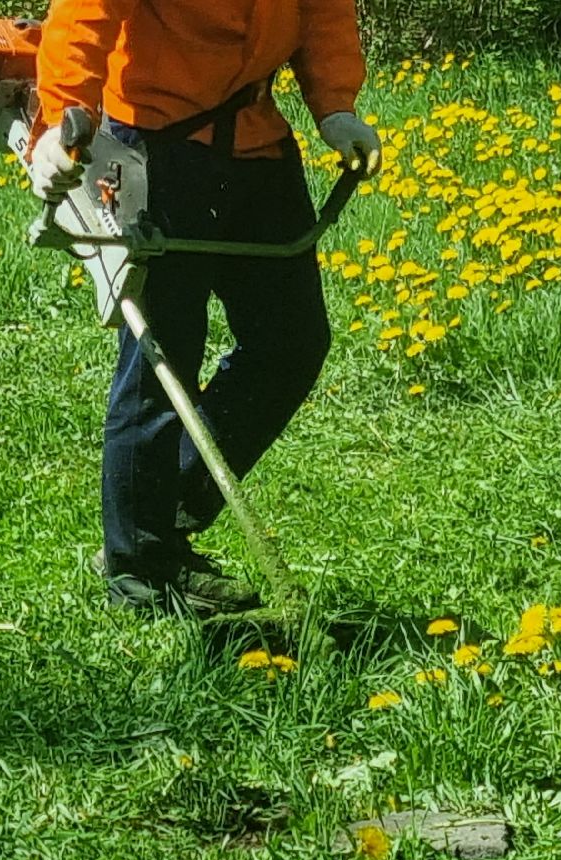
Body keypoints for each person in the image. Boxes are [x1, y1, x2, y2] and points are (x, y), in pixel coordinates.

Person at [25, 0, 381, 616]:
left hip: (255, 141)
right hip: (156, 149)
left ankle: (167, 507)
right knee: (162, 353)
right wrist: (61, 120)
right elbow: (87, 16)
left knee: (291, 342)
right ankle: (138, 567)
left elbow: (322, 15)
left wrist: (337, 107)